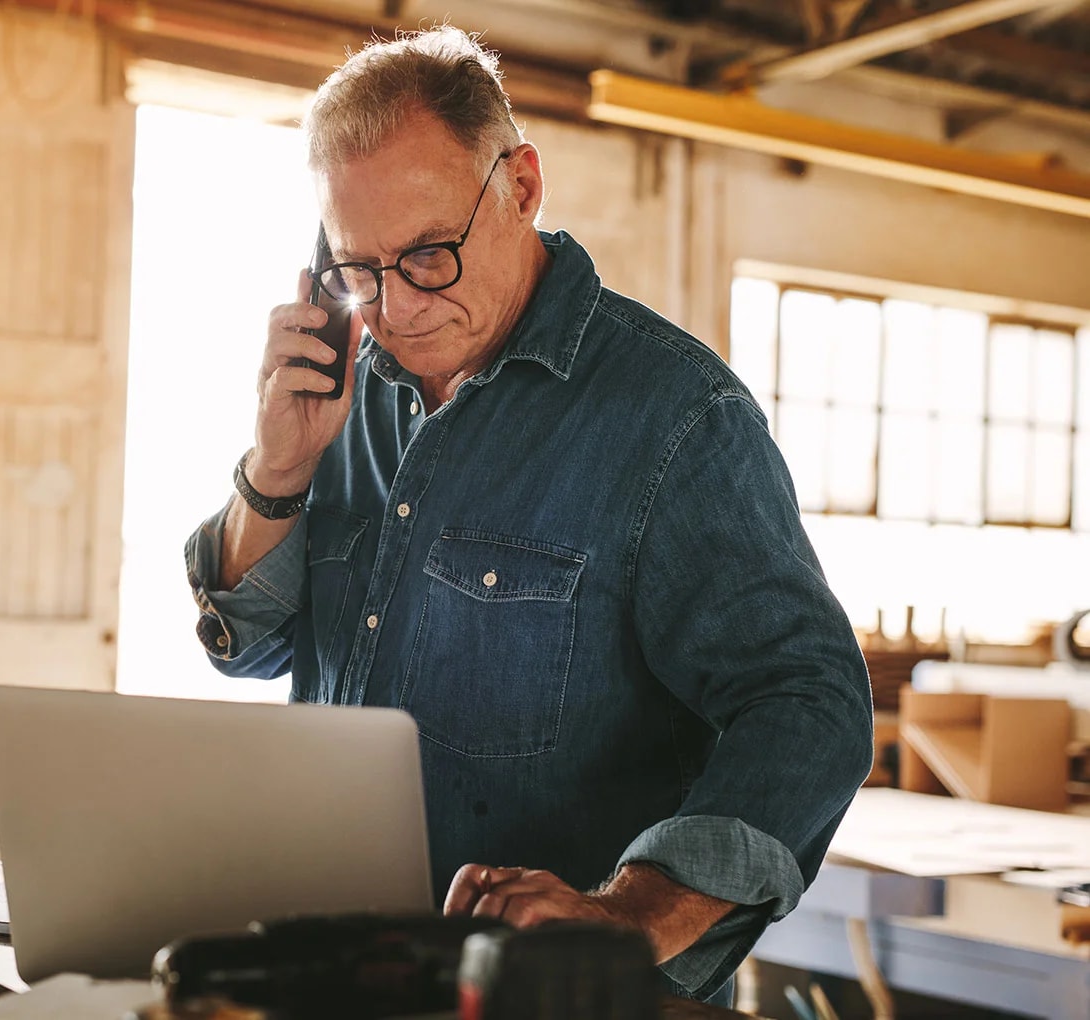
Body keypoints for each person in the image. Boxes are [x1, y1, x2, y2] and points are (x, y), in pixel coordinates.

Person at [183, 25, 873, 1005]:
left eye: (427, 255)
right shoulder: (344, 391)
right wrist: (277, 467)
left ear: (520, 186)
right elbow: (242, 648)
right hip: (349, 976)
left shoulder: (675, 418)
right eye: (357, 270)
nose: (395, 310)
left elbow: (808, 706)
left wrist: (633, 917)